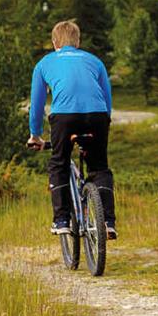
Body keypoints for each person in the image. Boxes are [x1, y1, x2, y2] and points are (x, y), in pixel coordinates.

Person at [28, 20, 117, 240]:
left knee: (58, 162)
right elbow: (107, 97)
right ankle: (107, 222)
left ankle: (62, 220)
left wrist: (35, 134)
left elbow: (37, 104)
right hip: (97, 115)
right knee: (99, 167)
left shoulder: (44, 63)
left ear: (54, 42)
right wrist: (105, 120)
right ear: (78, 42)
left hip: (64, 117)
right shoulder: (95, 61)